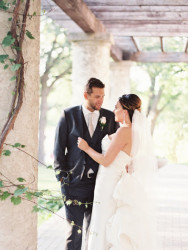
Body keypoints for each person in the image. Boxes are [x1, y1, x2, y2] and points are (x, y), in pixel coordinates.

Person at [78, 94, 158, 250]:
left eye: (117, 107)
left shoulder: (124, 132)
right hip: (115, 180)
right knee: (105, 220)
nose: (114, 110)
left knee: (102, 222)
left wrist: (86, 148)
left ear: (125, 112)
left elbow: (106, 160)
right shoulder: (135, 132)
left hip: (109, 182)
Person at [54, 78, 119, 250]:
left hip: (99, 184)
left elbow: (117, 147)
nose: (101, 100)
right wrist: (62, 178)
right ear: (85, 95)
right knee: (75, 231)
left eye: (103, 96)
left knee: (95, 231)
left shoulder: (109, 117)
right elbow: (59, 150)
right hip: (73, 184)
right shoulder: (68, 115)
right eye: (97, 96)